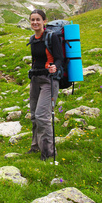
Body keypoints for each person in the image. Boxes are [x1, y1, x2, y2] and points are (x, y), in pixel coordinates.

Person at [27, 9, 63, 161]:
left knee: (42, 116)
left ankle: (48, 152)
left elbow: (59, 58)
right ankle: (35, 146)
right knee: (35, 115)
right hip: (35, 79)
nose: (35, 22)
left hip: (49, 79)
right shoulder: (33, 39)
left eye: (38, 20)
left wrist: (56, 67)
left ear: (44, 21)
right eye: (32, 20)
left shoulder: (51, 36)